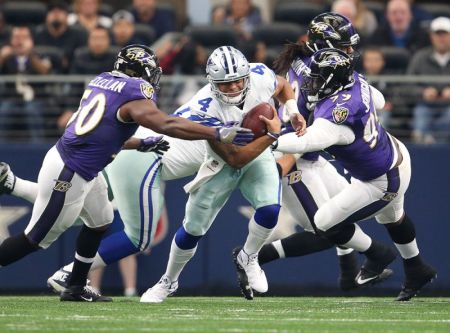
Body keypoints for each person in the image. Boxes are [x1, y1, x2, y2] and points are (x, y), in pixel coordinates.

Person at [0, 44, 255, 302]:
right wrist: (215, 132)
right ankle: (13, 187)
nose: (154, 78)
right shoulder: (135, 90)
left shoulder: (101, 80)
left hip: (78, 164)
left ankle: (75, 285)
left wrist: (140, 143)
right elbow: (166, 123)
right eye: (151, 72)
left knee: (100, 221)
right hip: (71, 171)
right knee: (35, 239)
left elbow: (101, 133)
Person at [139, 45, 306, 303]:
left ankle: (248, 256)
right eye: (224, 84)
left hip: (256, 153)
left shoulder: (259, 75)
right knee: (192, 229)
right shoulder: (203, 108)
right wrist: (272, 135)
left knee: (270, 210)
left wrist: (293, 111)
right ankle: (169, 281)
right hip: (220, 161)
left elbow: (283, 85)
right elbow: (235, 159)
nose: (232, 88)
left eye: (237, 81)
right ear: (211, 82)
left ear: (246, 76)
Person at [274, 47, 437, 301]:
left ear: (332, 81)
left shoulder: (337, 115)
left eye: (317, 78)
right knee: (393, 218)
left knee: (324, 222)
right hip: (394, 155)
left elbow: (308, 141)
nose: (311, 83)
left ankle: (377, 255)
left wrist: (268, 139)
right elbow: (380, 101)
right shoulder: (355, 80)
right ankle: (417, 268)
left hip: (382, 178)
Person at [251, 12, 395, 293]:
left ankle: (348, 271)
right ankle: (252, 257)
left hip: (310, 152)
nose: (350, 52)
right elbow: (377, 100)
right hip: (294, 154)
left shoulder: (302, 59)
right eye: (344, 47)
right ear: (322, 45)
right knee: (326, 229)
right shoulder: (323, 70)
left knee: (343, 215)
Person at [408, 16, 450, 144]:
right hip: (425, 104)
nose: (441, 38)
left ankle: (433, 141)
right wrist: (423, 92)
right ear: (432, 36)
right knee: (420, 118)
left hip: (449, 105)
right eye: (438, 34)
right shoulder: (419, 57)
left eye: (445, 34)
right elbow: (407, 84)